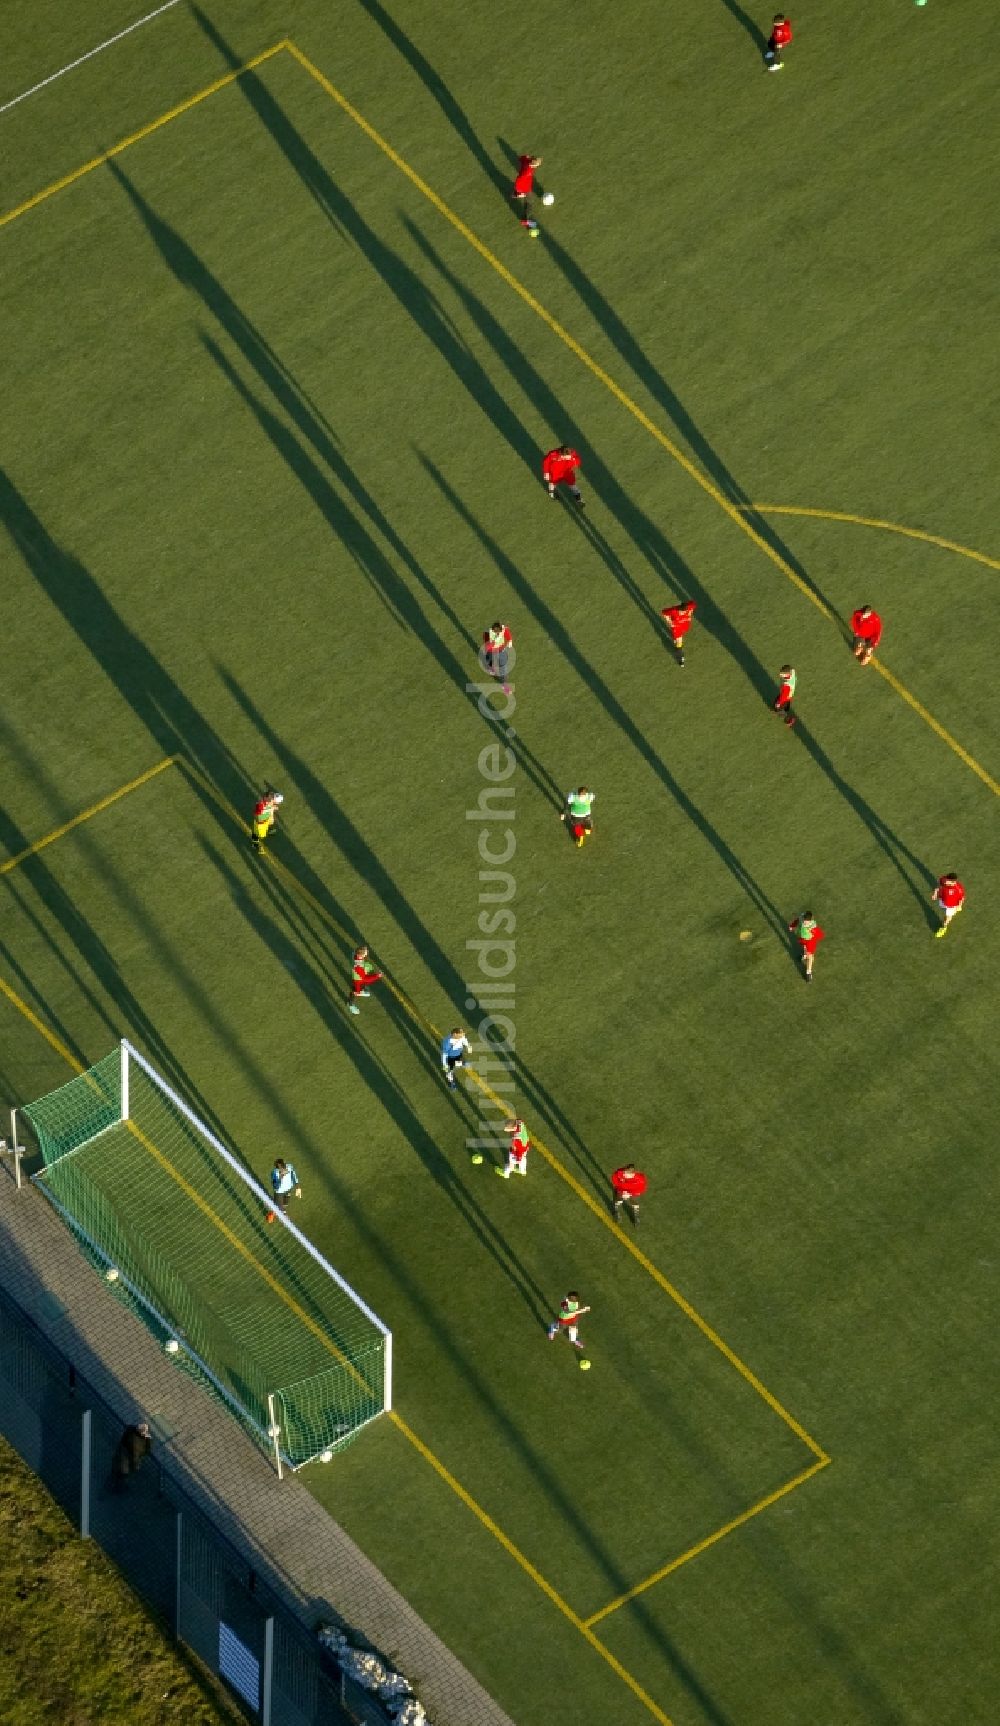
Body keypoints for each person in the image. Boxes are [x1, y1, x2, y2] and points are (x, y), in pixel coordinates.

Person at [542, 445, 585, 509]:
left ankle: (579, 500)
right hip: (555, 472)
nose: (567, 458)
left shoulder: (572, 453)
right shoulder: (553, 454)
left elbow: (578, 462)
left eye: (568, 457)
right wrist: (546, 473)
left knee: (573, 485)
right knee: (552, 483)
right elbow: (546, 462)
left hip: (567, 472)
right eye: (565, 457)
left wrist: (573, 459)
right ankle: (552, 494)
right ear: (561, 453)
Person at [112, 1420, 151, 1490]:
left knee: (118, 1469)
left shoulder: (130, 1429)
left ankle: (115, 1482)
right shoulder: (143, 1439)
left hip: (123, 1453)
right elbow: (145, 1451)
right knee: (124, 1473)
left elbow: (124, 1439)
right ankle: (119, 1486)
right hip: (130, 1458)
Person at [512, 153, 542, 237]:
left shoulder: (527, 160)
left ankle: (515, 193)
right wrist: (521, 193)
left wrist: (524, 158)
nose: (537, 166)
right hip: (524, 188)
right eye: (537, 164)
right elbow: (519, 180)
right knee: (529, 203)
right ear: (533, 164)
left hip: (525, 186)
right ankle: (525, 220)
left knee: (527, 200)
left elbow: (521, 158)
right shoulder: (527, 171)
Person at [789, 912, 825, 981]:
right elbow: (797, 920)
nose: (805, 923)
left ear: (810, 921)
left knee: (810, 956)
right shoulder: (801, 918)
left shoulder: (813, 928)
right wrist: (792, 926)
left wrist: (813, 934)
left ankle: (808, 972)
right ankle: (804, 956)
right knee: (806, 950)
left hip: (810, 942)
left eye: (807, 922)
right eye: (804, 921)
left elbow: (821, 935)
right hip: (803, 940)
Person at [661, 601, 697, 668]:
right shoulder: (673, 610)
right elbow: (664, 612)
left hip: (685, 626)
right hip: (677, 628)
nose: (682, 613)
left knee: (678, 638)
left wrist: (690, 611)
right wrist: (669, 621)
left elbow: (693, 604)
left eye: (684, 612)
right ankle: (681, 659)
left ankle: (675, 640)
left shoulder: (689, 606)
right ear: (679, 608)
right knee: (679, 643)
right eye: (681, 612)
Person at [349, 945, 383, 1015]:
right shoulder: (359, 966)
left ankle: (361, 991)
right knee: (356, 991)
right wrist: (377, 976)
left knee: (361, 986)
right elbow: (365, 979)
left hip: (358, 976)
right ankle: (350, 1005)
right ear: (361, 955)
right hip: (358, 980)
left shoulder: (356, 955)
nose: (367, 952)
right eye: (365, 952)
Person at [266, 1157, 301, 1223]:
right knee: (278, 1207)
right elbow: (276, 1187)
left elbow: (294, 1176)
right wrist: (280, 1178)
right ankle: (273, 1213)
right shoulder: (274, 1173)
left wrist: (298, 1187)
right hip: (279, 1192)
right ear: (277, 1168)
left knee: (285, 1203)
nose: (283, 1169)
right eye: (280, 1168)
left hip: (288, 1189)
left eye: (283, 1166)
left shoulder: (289, 1166)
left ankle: (283, 1211)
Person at [611, 1162, 647, 1227]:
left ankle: (636, 1215)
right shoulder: (620, 1173)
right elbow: (614, 1179)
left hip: (633, 1193)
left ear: (632, 1174)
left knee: (635, 1204)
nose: (624, 1174)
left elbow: (641, 1189)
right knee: (618, 1200)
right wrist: (621, 1191)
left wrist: (629, 1194)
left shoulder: (640, 1179)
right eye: (624, 1172)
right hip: (621, 1191)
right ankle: (616, 1210)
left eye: (626, 1173)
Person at [931, 872, 965, 938]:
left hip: (952, 906)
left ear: (953, 882)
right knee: (942, 908)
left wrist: (959, 906)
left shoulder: (958, 889)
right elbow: (939, 887)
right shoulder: (943, 880)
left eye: (947, 881)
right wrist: (935, 894)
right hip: (942, 900)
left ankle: (944, 928)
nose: (945, 882)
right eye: (946, 880)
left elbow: (962, 898)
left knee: (947, 917)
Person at [483, 622, 514, 693]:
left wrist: (510, 641)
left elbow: (506, 631)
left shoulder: (502, 629)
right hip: (491, 651)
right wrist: (493, 643)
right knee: (490, 660)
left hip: (501, 652)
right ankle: (492, 668)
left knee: (504, 670)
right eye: (497, 632)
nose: (499, 633)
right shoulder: (487, 633)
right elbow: (487, 645)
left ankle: (505, 685)